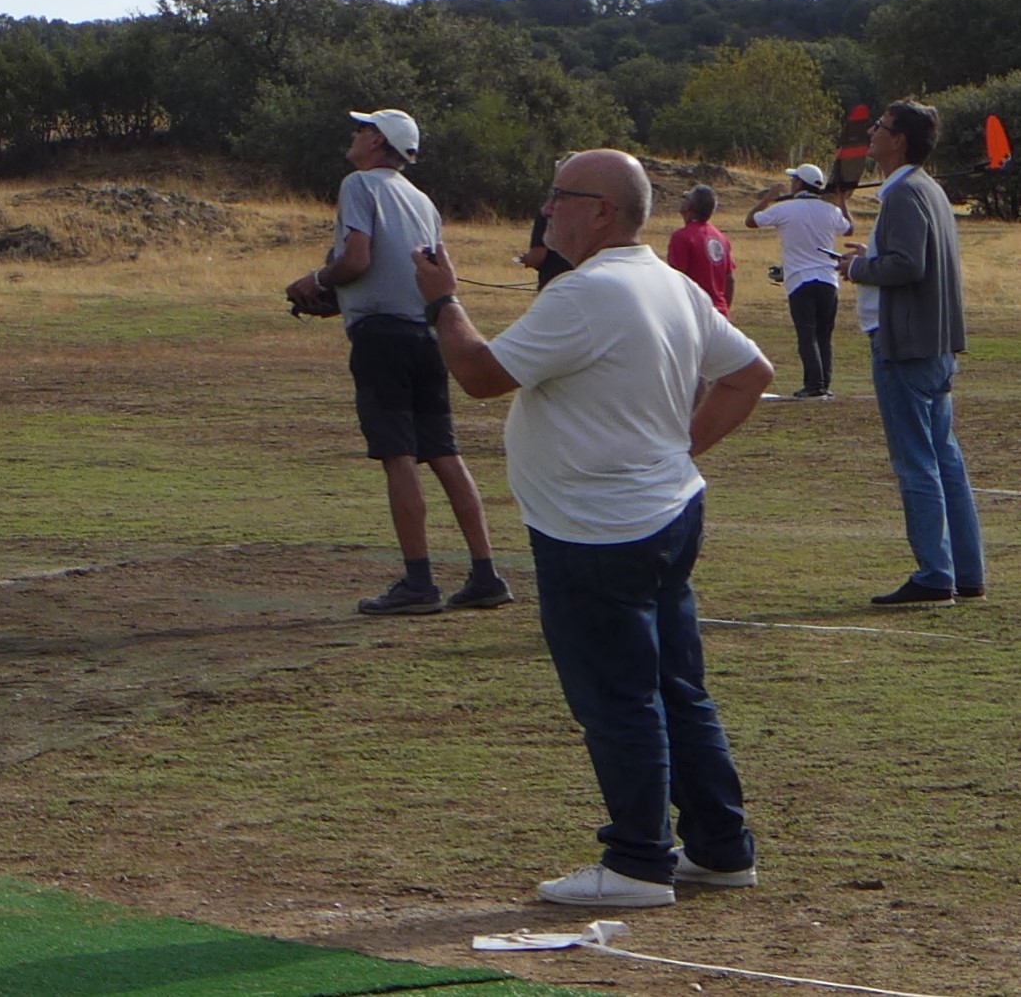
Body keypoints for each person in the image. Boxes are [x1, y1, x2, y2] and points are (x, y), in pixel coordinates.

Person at [414, 150, 773, 909]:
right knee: (676, 688)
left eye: (560, 196)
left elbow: (479, 375)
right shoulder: (668, 283)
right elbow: (748, 374)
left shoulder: (584, 294)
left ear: (603, 211)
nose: (547, 209)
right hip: (666, 512)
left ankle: (638, 862)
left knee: (617, 699)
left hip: (596, 530)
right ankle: (719, 849)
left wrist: (443, 301)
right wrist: (676, 452)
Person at [283, 108, 511, 616]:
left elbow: (356, 259)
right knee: (445, 453)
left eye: (363, 129)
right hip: (426, 333)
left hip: (380, 338)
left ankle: (419, 581)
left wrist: (315, 282)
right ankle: (485, 574)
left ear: (378, 141)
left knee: (398, 454)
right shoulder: (423, 200)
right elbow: (432, 271)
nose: (354, 134)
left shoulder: (360, 185)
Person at [837, 101, 984, 606]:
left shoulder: (901, 193)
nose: (872, 132)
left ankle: (935, 575)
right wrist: (872, 257)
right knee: (945, 460)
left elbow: (907, 265)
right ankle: (966, 571)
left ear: (898, 140)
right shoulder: (928, 188)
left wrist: (858, 269)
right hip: (936, 343)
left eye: (880, 127)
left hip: (905, 344)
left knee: (917, 462)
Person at [746, 165, 849, 399]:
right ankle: (823, 383)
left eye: (794, 180)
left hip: (800, 279)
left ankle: (813, 384)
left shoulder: (785, 209)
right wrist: (842, 201)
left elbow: (751, 221)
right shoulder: (830, 210)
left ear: (800, 183)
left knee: (807, 333)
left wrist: (768, 198)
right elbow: (848, 228)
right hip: (828, 279)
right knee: (824, 335)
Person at [665, 186, 735, 316]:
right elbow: (729, 280)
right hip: (719, 313)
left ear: (688, 207)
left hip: (695, 312)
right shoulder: (721, 238)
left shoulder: (682, 237)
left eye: (685, 198)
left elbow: (677, 279)